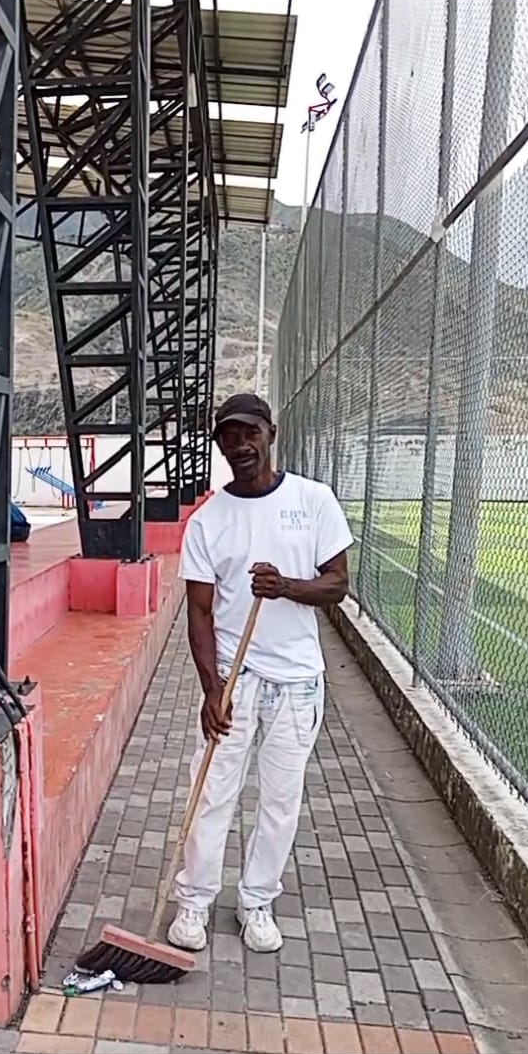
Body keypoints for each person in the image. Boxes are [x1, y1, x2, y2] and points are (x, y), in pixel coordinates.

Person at [168, 392, 353, 956]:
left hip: (298, 683)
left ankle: (256, 901)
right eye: (229, 436)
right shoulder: (208, 522)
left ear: (272, 433)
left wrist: (286, 587)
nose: (241, 445)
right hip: (235, 678)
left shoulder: (313, 501)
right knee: (210, 793)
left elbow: (338, 584)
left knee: (280, 801)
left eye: (250, 432)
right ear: (220, 446)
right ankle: (194, 901)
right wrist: (211, 689)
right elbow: (199, 613)